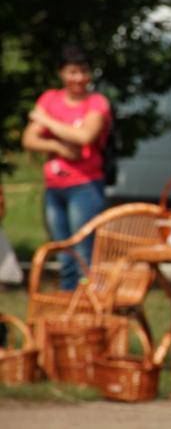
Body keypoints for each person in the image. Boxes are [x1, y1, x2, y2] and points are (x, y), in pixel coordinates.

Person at [22, 45, 112, 290]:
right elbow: (29, 139)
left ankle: (87, 301)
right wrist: (58, 146)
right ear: (62, 73)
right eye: (73, 72)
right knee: (63, 252)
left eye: (84, 72)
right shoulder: (50, 98)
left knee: (84, 251)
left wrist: (47, 121)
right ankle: (68, 301)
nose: (79, 78)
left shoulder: (96, 102)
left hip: (85, 186)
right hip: (55, 187)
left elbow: (85, 136)